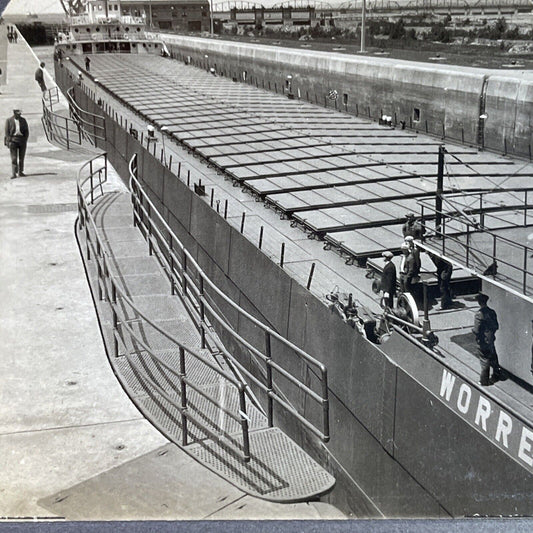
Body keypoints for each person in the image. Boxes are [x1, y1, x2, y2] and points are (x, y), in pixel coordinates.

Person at [472, 293, 504, 386]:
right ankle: (497, 374)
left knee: (484, 359)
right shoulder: (492, 312)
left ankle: (484, 381)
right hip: (491, 339)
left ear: (479, 302)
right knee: (493, 356)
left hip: (483, 341)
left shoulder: (479, 314)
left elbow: (477, 330)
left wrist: (473, 331)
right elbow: (496, 326)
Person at [5, 108, 29, 179]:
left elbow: (26, 131)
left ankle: (20, 171)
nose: (20, 114)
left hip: (21, 140)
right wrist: (9, 141)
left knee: (21, 157)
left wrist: (25, 139)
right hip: (13, 141)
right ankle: (14, 173)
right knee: (14, 158)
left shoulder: (23, 120)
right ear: (14, 113)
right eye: (18, 113)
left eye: (20, 113)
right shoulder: (9, 120)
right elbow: (7, 132)